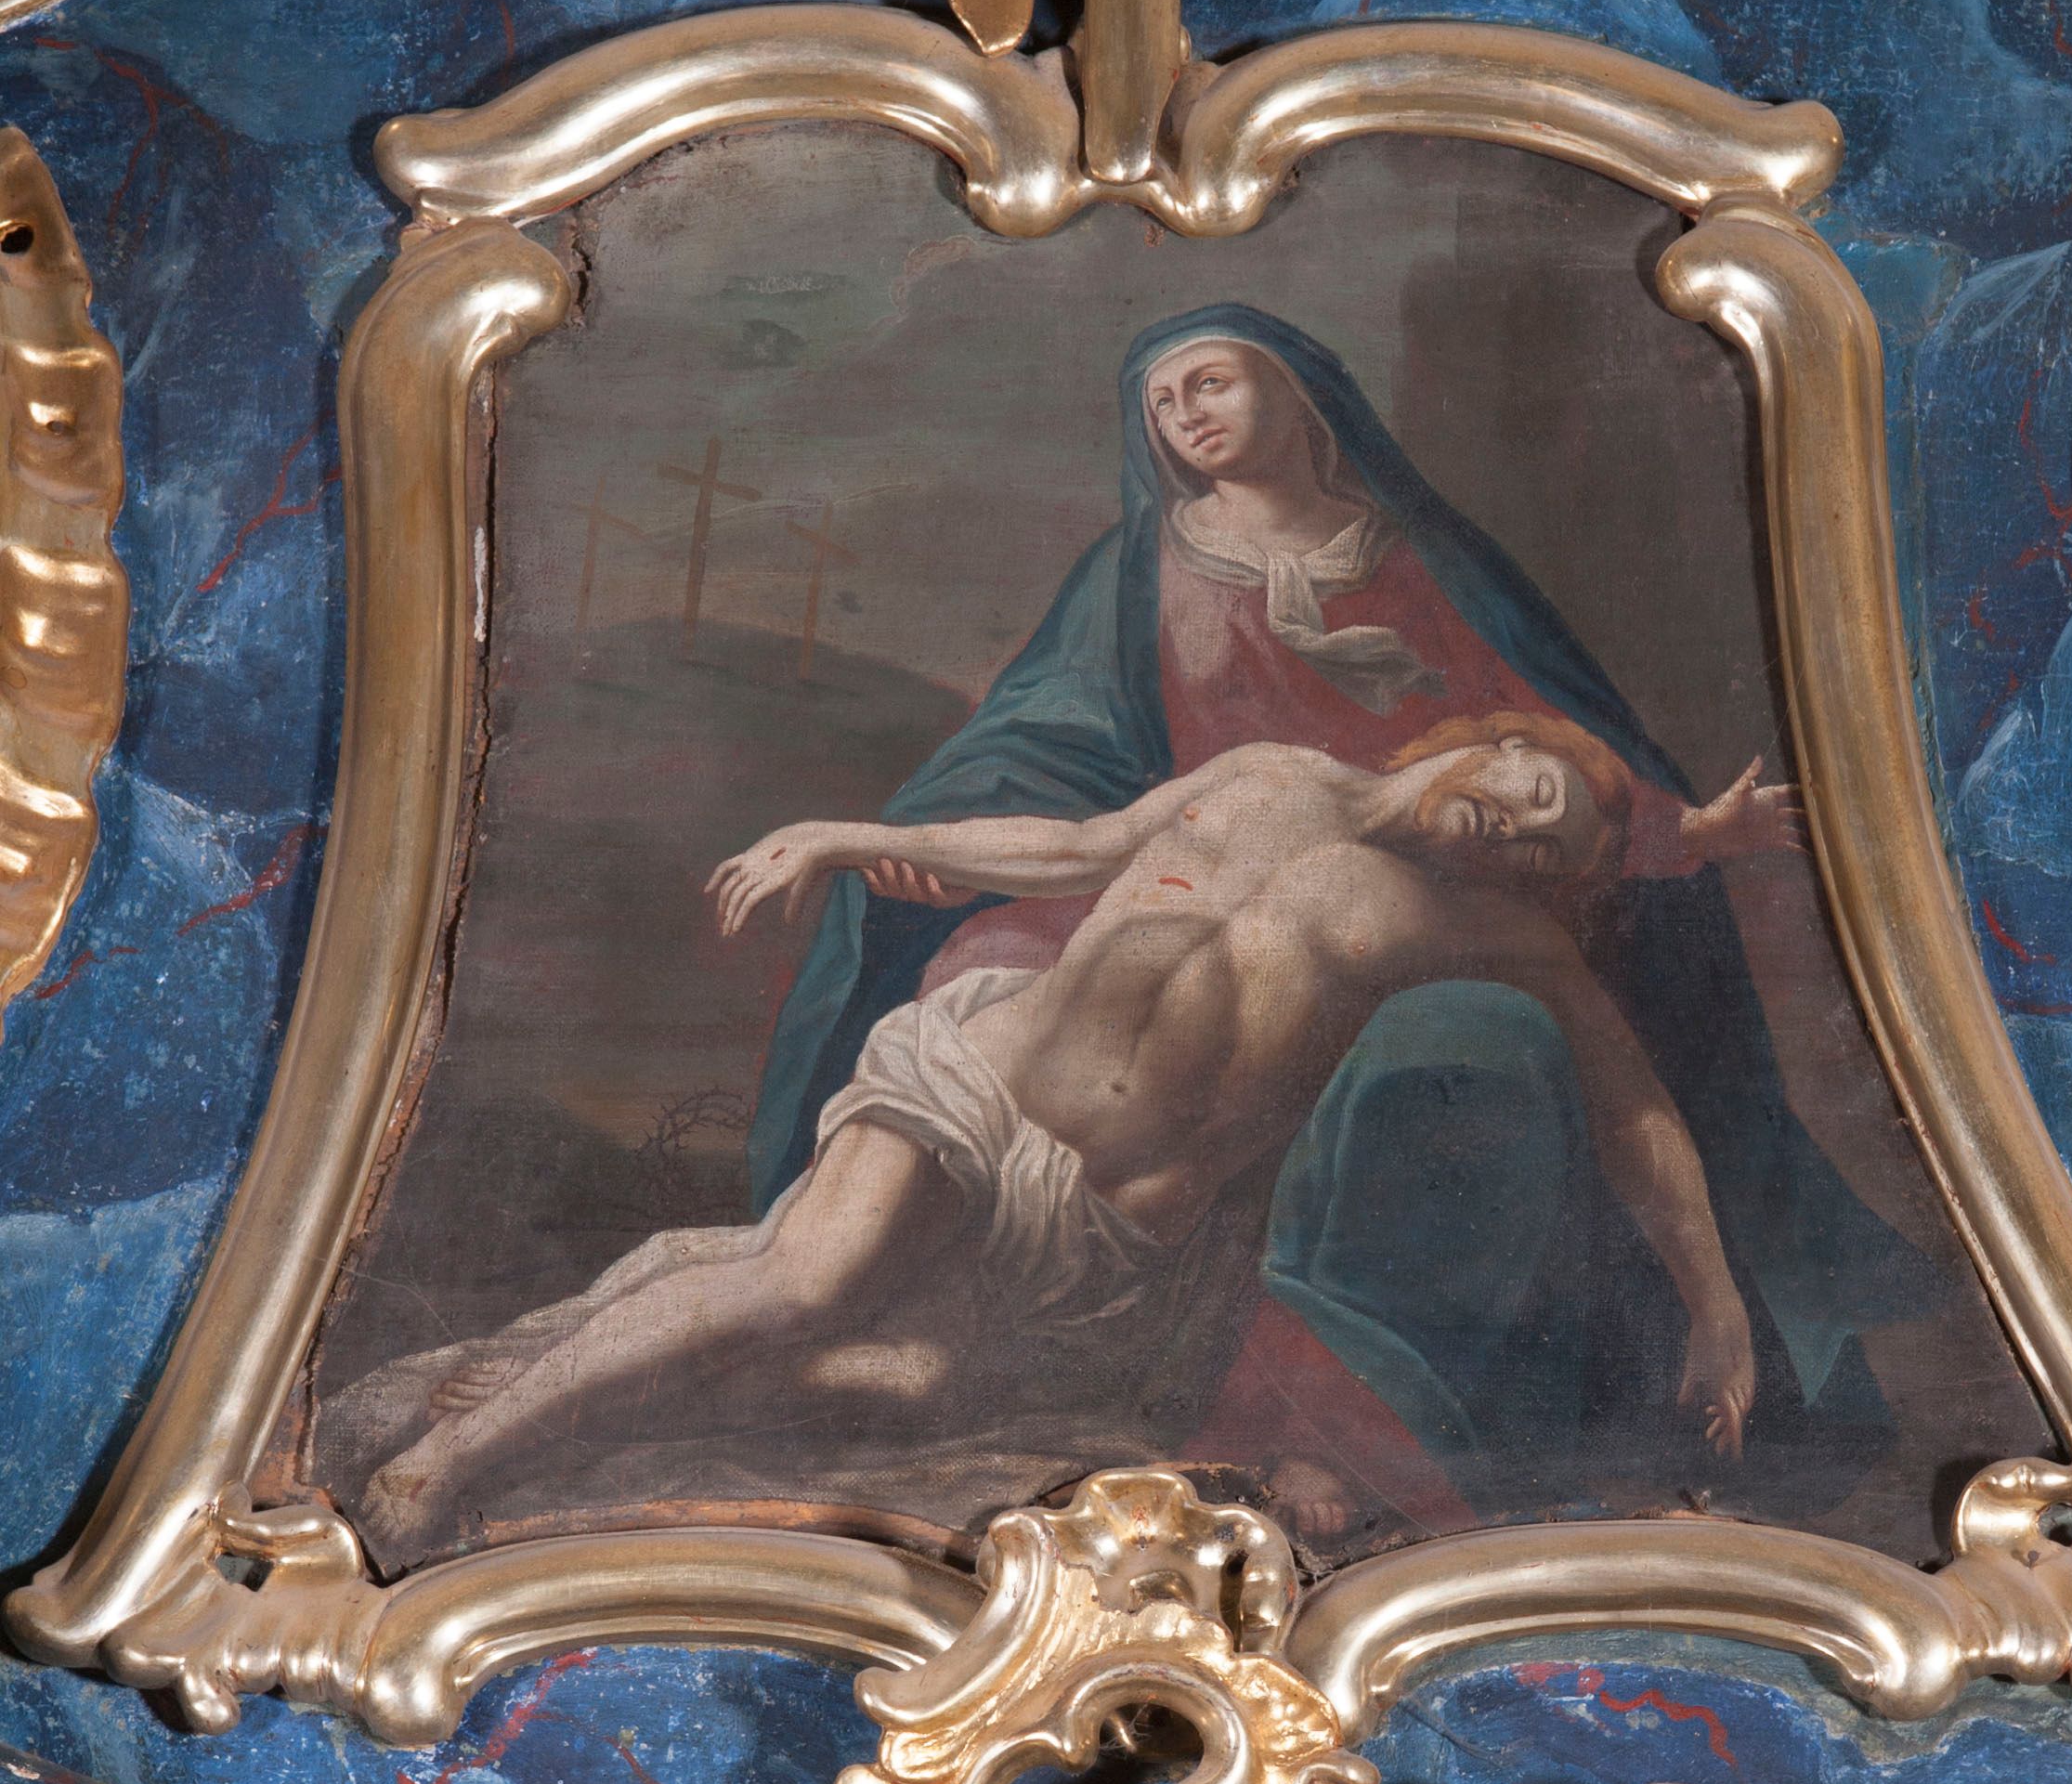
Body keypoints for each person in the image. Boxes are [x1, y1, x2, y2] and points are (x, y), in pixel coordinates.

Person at [747, 304, 1940, 1536]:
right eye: (1164, 404)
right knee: (983, 954)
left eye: (1212, 383)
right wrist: (929, 840)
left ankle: (1350, 1424)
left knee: (1467, 1049)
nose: (1188, 415)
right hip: (1200, 863)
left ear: (1299, 392)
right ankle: (953, 1315)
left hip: (1415, 902)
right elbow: (1057, 749)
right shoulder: (1136, 571)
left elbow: (1537, 749)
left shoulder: (1418, 563)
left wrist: (1678, 834)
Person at [362, 719, 1762, 1549]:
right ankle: (449, 1464)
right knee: (810, 1283)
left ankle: (608, 1339)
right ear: (1498, 739)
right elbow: (1076, 848)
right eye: (1530, 791)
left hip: (1110, 1230)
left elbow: (1635, 1110)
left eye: (1544, 847)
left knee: (901, 1383)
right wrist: (842, 836)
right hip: (981, 1081)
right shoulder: (1269, 773)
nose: (1514, 828)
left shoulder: (1487, 927)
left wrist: (1715, 1308)